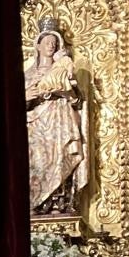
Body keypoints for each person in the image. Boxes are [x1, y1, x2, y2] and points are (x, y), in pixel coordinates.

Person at [25, 17, 87, 213]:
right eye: (46, 42)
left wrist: (65, 92)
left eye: (54, 43)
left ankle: (58, 203)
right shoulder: (27, 75)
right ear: (38, 45)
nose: (50, 46)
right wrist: (26, 97)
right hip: (35, 127)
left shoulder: (63, 70)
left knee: (59, 159)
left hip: (59, 123)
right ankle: (35, 203)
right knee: (37, 161)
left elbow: (77, 102)